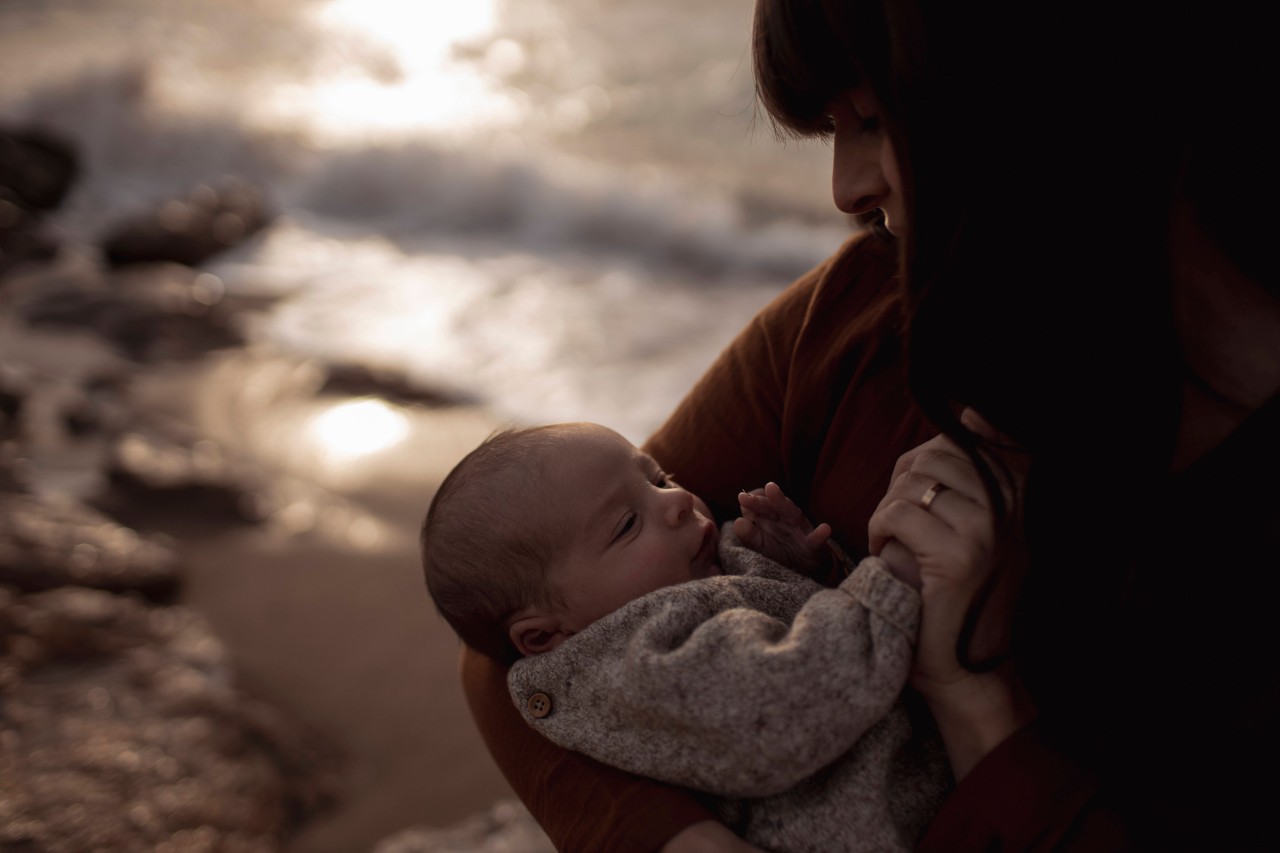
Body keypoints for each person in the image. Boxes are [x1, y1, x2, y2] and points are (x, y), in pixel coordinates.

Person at [753, 0, 1280, 848]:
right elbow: (530, 602)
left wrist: (974, 703)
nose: (846, 188)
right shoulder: (858, 312)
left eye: (870, 119)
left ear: (1018, 98)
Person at [423, 423, 950, 852]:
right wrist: (891, 581)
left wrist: (794, 570)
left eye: (659, 478)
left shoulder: (685, 576)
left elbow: (775, 633)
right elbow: (791, 700)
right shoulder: (633, 668)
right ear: (544, 636)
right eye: (627, 524)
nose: (676, 500)